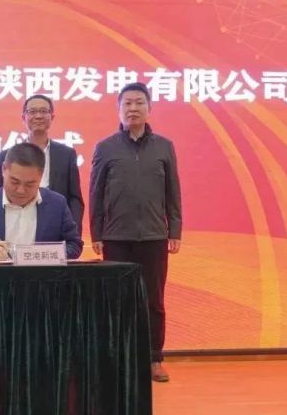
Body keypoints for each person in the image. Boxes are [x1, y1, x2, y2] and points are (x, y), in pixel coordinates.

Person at [89, 82, 182, 383]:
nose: (133, 108)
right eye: (127, 103)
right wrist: (96, 232)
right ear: (119, 109)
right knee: (116, 300)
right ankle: (118, 360)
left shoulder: (164, 146)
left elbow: (173, 191)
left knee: (153, 301)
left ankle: (154, 358)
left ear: (149, 108)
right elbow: (96, 192)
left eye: (139, 102)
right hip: (116, 237)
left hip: (154, 237)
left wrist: (175, 229)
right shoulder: (105, 147)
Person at [0, 143, 82, 262]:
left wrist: (44, 255)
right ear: (3, 169)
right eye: (14, 182)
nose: (20, 190)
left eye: (30, 184)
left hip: (44, 280)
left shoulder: (57, 204)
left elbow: (74, 244)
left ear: (41, 176)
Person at [0, 94, 84, 234]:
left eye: (43, 111)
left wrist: (73, 229)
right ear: (23, 117)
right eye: (32, 111)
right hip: (18, 220)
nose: (38, 116)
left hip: (55, 220)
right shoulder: (7, 155)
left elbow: (75, 197)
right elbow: (0, 194)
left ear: (52, 117)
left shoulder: (66, 154)